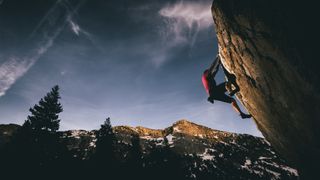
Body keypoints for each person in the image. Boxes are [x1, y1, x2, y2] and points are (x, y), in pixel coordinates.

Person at [202, 55, 252, 119]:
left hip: (214, 95)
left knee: (232, 101)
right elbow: (212, 67)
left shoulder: (208, 78)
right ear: (206, 72)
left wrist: (219, 63)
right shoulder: (205, 75)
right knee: (229, 82)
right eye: (210, 72)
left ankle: (241, 114)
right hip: (214, 91)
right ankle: (231, 91)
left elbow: (215, 71)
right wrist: (217, 58)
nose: (212, 73)